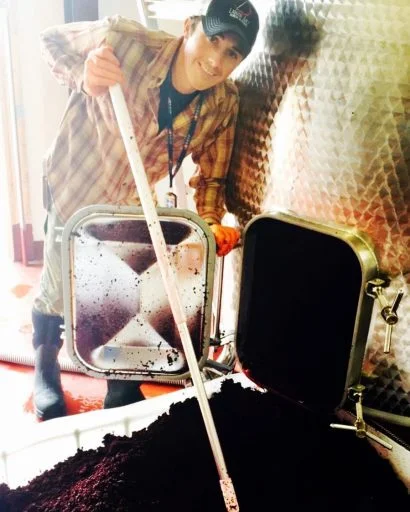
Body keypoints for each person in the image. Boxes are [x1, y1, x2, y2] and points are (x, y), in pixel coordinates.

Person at [33, 0, 260, 420]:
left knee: (122, 292)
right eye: (213, 40)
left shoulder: (223, 103)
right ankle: (45, 367)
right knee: (57, 289)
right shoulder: (125, 41)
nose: (216, 60)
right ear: (190, 27)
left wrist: (210, 221)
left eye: (233, 52)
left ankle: (120, 391)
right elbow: (51, 42)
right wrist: (84, 74)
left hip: (128, 201)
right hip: (75, 178)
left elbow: (212, 177)